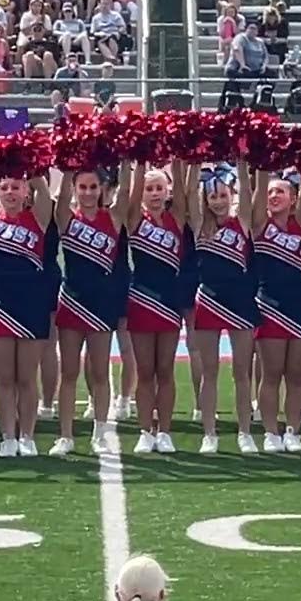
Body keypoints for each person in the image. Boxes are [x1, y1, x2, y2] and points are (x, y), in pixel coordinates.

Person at [51, 162, 134, 455]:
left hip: (101, 304)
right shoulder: (66, 217)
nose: (87, 192)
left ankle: (100, 431)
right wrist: (66, 166)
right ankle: (65, 436)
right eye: (82, 187)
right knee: (69, 372)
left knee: (99, 372)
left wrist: (127, 159)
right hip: (72, 301)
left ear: (102, 189)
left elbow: (126, 191)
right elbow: (61, 197)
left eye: (93, 187)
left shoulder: (113, 217)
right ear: (75, 189)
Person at [0, 174, 55, 458]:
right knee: (5, 377)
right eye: (4, 188)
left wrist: (29, 162)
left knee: (27, 377)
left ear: (26, 192)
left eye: (16, 187)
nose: (10, 192)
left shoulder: (39, 218)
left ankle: (27, 436)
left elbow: (43, 189)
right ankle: (8, 437)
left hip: (32, 303)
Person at [188, 161, 261, 454]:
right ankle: (209, 433)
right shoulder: (199, 224)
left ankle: (245, 432)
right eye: (212, 196)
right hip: (208, 300)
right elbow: (189, 191)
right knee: (210, 372)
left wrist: (243, 161)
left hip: (240, 302)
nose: (218, 201)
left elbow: (248, 192)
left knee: (242, 372)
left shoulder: (241, 221)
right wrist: (194, 159)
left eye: (223, 195)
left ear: (232, 195)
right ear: (205, 199)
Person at [252, 169, 301, 452]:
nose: (274, 195)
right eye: (270, 192)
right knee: (271, 374)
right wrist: (260, 167)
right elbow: (256, 191)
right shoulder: (259, 224)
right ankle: (271, 432)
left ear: (294, 199)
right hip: (270, 306)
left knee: (296, 376)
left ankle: (293, 431)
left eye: (280, 191)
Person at [127, 160, 191, 454]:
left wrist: (178, 159)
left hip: (169, 301)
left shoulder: (176, 217)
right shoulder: (134, 218)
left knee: (165, 370)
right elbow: (130, 192)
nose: (154, 193)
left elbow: (183, 187)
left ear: (168, 192)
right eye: (149, 189)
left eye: (159, 188)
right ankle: (145, 431)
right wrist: (140, 160)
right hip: (141, 299)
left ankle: (164, 431)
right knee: (145, 371)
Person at [22, 22, 61, 88]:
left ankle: (48, 86)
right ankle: (27, 85)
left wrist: (44, 61)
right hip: (36, 67)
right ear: (31, 32)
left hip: (50, 66)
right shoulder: (28, 45)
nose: (37, 32)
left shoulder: (51, 44)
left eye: (39, 30)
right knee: (29, 54)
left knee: (47, 55)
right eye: (35, 30)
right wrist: (36, 58)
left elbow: (56, 59)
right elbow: (24, 59)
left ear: (43, 31)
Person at [90, 0, 127, 64]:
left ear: (110, 5)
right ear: (99, 5)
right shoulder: (95, 18)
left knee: (111, 38)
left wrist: (118, 32)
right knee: (101, 42)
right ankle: (113, 59)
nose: (105, 6)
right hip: (102, 35)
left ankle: (111, 59)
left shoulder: (116, 15)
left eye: (106, 4)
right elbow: (93, 32)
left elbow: (123, 27)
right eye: (103, 4)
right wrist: (99, 34)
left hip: (114, 34)